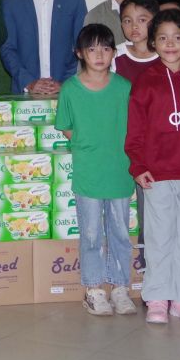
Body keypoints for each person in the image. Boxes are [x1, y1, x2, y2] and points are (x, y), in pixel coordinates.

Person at [124, 9, 180, 325]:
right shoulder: (145, 82)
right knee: (159, 236)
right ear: (153, 42)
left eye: (177, 37)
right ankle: (158, 297)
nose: (170, 44)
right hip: (157, 174)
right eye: (162, 38)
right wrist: (138, 165)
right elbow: (135, 129)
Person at [58, 24, 136, 317]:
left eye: (105, 48)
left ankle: (120, 287)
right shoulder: (70, 89)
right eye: (92, 49)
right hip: (88, 173)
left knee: (120, 232)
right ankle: (93, 289)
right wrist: (87, 145)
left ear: (114, 52)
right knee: (91, 234)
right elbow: (66, 126)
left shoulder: (124, 87)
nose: (99, 55)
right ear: (79, 53)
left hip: (119, 172)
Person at [113, 0, 159, 83]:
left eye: (142, 20)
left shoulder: (165, 53)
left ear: (156, 22)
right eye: (127, 21)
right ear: (121, 24)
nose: (134, 26)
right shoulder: (116, 54)